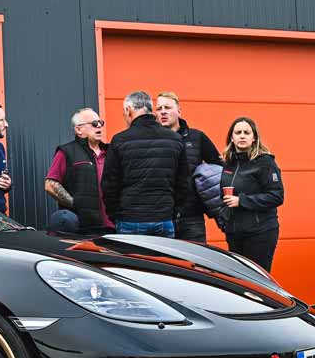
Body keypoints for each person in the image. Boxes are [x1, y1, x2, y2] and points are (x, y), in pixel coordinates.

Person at [101, 91, 188, 237]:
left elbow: (109, 184)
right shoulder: (175, 139)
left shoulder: (120, 140)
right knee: (163, 260)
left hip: (130, 218)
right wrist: (173, 211)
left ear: (129, 110)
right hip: (164, 217)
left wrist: (115, 215)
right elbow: (183, 182)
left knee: (133, 260)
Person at [155, 91, 221, 242]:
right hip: (161, 218)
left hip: (192, 217)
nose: (163, 111)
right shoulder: (151, 140)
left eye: (168, 107)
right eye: (159, 108)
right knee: (164, 264)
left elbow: (219, 168)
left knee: (194, 264)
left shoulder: (197, 137)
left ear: (179, 110)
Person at [220, 117, 283, 272]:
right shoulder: (228, 163)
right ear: (232, 138)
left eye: (246, 132)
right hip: (235, 234)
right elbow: (223, 197)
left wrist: (241, 201)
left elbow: (277, 195)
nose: (242, 135)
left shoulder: (265, 162)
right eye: (238, 132)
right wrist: (224, 219)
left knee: (258, 283)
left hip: (260, 233)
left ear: (254, 138)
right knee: (239, 283)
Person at [45, 107, 113, 234]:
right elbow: (50, 185)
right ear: (78, 129)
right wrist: (76, 204)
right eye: (93, 123)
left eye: (100, 123)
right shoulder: (67, 152)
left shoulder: (111, 151)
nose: (99, 126)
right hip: (83, 227)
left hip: (113, 226)